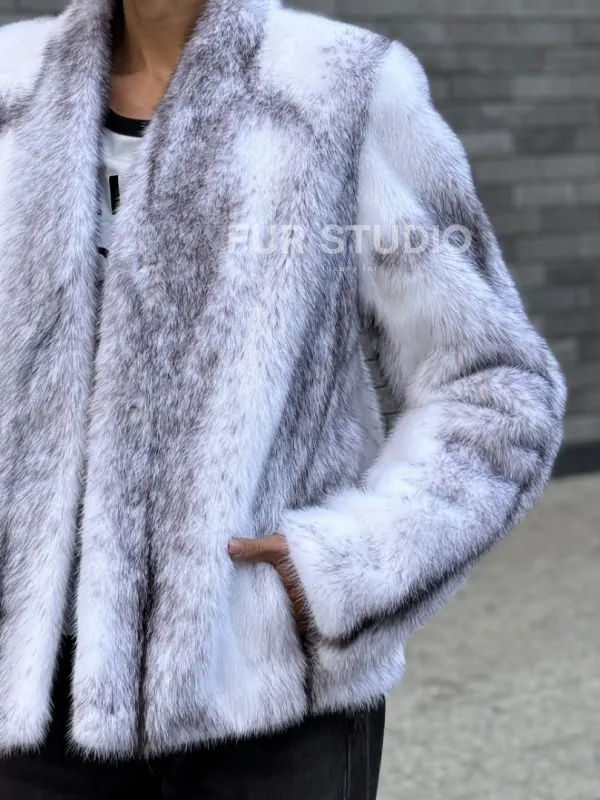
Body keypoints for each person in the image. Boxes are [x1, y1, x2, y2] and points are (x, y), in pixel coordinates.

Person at [0, 0, 566, 797]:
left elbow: (495, 384)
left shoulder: (342, 87)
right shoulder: (13, 83)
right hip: (30, 698)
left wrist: (349, 570)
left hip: (265, 690)